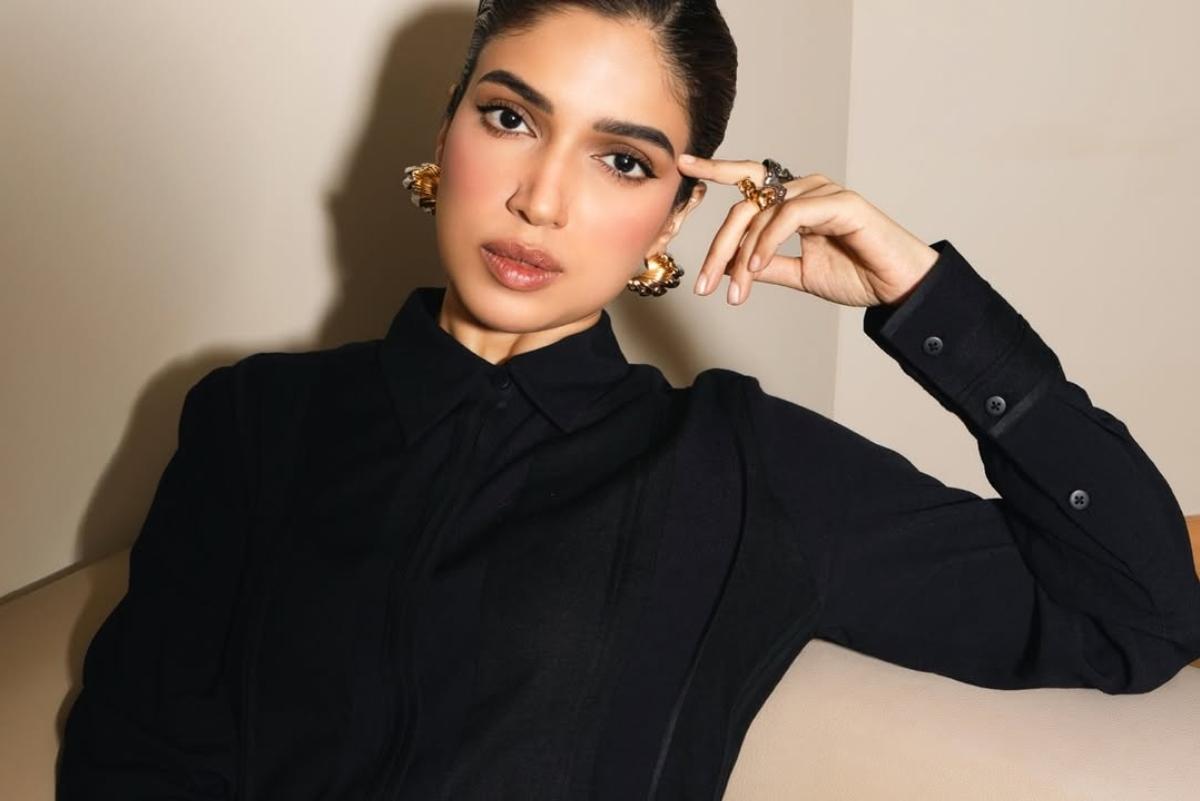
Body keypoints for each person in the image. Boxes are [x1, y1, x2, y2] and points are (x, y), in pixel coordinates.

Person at [57, 1, 1200, 799]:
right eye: (511, 118)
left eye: (624, 161)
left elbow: (1141, 616)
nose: (542, 199)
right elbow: (133, 758)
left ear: (675, 217)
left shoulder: (744, 470)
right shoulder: (255, 420)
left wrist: (922, 297)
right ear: (445, 130)